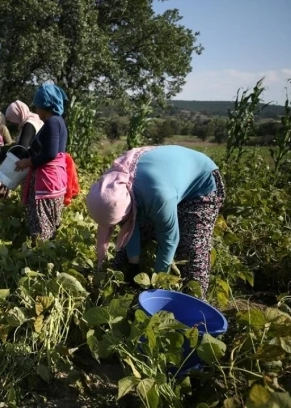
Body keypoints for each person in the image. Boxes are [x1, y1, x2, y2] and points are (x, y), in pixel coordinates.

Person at [85, 145, 226, 299]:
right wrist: (133, 266)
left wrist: (158, 282)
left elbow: (169, 240)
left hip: (201, 181)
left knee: (191, 247)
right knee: (125, 251)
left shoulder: (158, 197)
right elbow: (131, 226)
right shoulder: (111, 187)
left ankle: (195, 305)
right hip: (165, 178)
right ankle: (120, 284)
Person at [14, 84, 70, 242]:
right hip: (54, 180)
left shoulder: (52, 122)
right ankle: (48, 258)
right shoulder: (58, 121)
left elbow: (51, 153)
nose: (36, 110)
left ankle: (40, 259)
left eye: (37, 106)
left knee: (41, 228)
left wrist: (29, 162)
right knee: (49, 226)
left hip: (46, 182)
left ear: (45, 106)